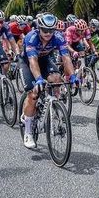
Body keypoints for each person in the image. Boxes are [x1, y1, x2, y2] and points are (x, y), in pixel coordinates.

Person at [20, 13, 78, 148]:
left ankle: (54, 105)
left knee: (57, 78)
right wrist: (39, 79)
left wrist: (73, 76)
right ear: (39, 28)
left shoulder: (58, 37)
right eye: (45, 30)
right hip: (28, 62)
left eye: (51, 30)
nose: (48, 33)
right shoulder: (31, 37)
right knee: (33, 93)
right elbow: (33, 61)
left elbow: (66, 58)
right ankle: (28, 132)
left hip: (45, 60)